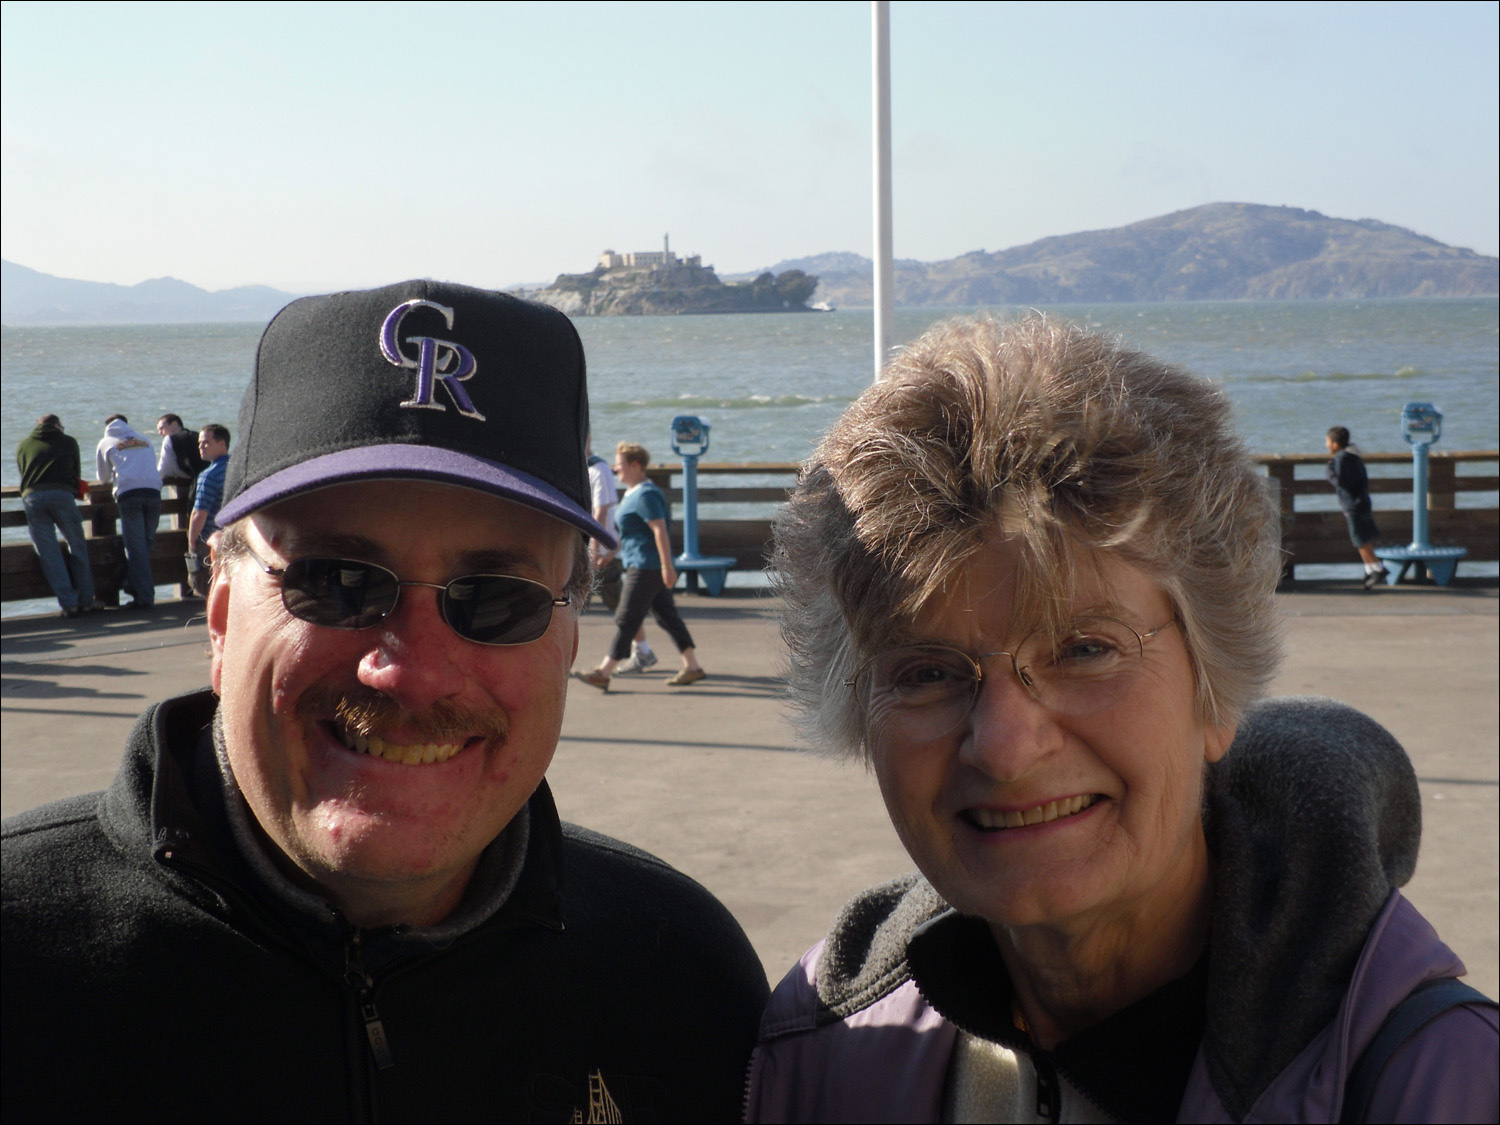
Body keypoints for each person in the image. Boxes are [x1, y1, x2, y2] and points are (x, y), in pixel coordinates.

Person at [2, 281, 768, 1121]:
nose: (413, 673)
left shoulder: (680, 981)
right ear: (220, 617)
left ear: (569, 640)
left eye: (494, 597)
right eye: (335, 582)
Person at [745, 317, 1497, 1123]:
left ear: (1216, 688)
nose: (1004, 745)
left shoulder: (1438, 1083)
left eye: (1083, 649)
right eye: (926, 672)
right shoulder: (824, 1047)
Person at [575, 442, 704, 690]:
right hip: (640, 563)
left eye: (620, 465)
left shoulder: (646, 494)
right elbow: (630, 534)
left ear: (635, 466)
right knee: (667, 617)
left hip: (647, 567)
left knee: (627, 618)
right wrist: (611, 553)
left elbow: (659, 530)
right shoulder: (634, 494)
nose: (615, 469)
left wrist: (668, 566)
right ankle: (692, 666)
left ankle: (604, 671)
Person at [586, 435, 658, 672]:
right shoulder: (579, 468)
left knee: (623, 610)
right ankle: (643, 651)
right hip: (591, 550)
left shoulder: (599, 470)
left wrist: (594, 549)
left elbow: (601, 511)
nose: (618, 469)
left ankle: (638, 654)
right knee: (622, 609)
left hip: (603, 553)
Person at [15, 413, 97, 617]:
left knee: (48, 553)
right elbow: (75, 473)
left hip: (32, 498)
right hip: (62, 496)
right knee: (77, 545)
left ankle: (69, 604)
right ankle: (86, 601)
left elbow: (22, 473)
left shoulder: (23, 445)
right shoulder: (68, 442)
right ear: (58, 425)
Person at [95, 412, 164, 609]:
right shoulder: (145, 439)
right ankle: (132, 585)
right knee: (146, 543)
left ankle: (144, 597)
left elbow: (103, 478)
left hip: (130, 495)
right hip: (153, 493)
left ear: (107, 426)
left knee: (136, 549)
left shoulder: (106, 442)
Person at [1327, 425, 1388, 589]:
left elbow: (1341, 482)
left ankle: (1378, 568)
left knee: (1359, 539)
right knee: (1362, 538)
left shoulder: (1342, 459)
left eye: (1328, 442)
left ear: (1335, 443)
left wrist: (1330, 472)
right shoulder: (1354, 456)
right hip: (1361, 501)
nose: (1326, 445)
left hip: (1353, 504)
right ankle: (1370, 570)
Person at [185, 422, 231, 595]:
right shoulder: (238, 469)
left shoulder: (209, 475)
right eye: (199, 443)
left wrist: (192, 542)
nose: (201, 447)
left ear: (221, 444)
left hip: (212, 541)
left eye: (206, 443)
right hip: (236, 537)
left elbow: (199, 513)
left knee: (209, 588)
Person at [156, 412, 210, 491]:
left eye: (161, 428)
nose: (159, 433)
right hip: (207, 479)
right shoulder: (197, 435)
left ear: (174, 424)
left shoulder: (169, 439)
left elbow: (164, 470)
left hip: (193, 485)